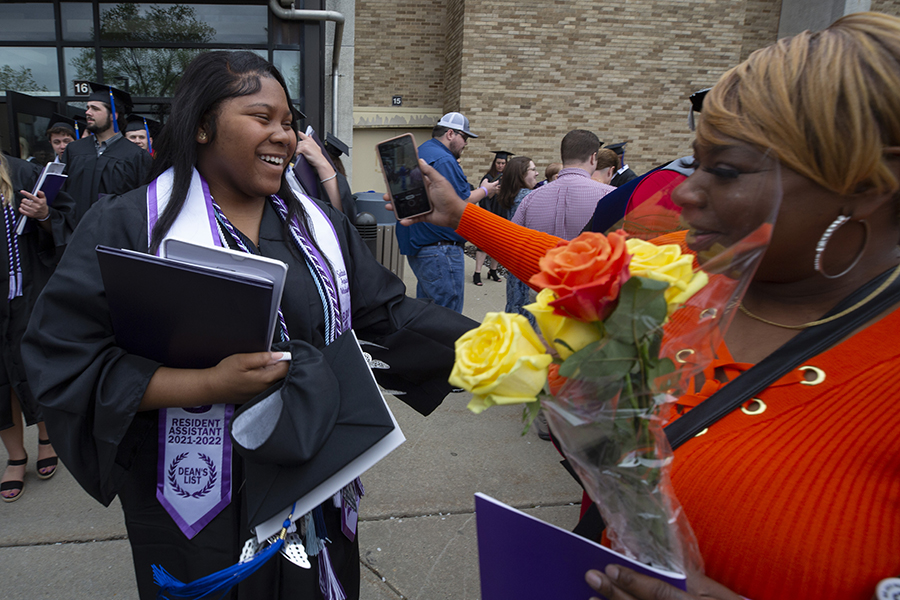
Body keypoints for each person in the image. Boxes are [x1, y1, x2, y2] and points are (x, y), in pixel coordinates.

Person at [389, 12, 900, 599]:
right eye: (697, 160)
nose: (684, 190)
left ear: (868, 186)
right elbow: (574, 266)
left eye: (727, 170)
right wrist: (462, 216)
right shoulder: (695, 262)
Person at [21, 51, 472, 599]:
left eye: (288, 122)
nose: (283, 135)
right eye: (263, 118)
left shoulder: (318, 228)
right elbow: (64, 358)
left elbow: (387, 316)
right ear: (204, 125)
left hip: (316, 480)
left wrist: (503, 345)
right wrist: (208, 385)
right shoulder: (129, 223)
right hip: (196, 502)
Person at [0, 153, 75, 502]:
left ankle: (46, 437)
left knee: (31, 365)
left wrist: (45, 216)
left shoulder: (23, 172)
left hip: (26, 291)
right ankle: (16, 456)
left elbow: (66, 218)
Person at [395, 112, 500, 312]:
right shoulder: (444, 159)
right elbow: (461, 201)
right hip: (440, 249)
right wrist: (487, 190)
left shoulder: (422, 151)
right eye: (465, 137)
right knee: (447, 316)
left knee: (427, 314)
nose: (466, 143)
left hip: (421, 247)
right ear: (450, 134)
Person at [61, 83, 153, 224]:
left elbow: (143, 202)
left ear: (113, 115)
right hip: (74, 234)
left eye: (95, 109)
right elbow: (62, 195)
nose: (88, 112)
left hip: (115, 234)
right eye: (87, 108)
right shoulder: (74, 150)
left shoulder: (135, 155)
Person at [512, 130, 615, 240]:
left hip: (539, 256)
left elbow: (512, 240)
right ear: (593, 158)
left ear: (563, 156)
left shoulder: (530, 198)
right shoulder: (611, 196)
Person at [492, 156, 538, 322]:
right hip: (527, 262)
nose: (537, 173)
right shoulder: (529, 198)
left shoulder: (512, 196)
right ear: (521, 174)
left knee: (515, 306)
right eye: (533, 170)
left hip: (515, 264)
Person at [473, 150, 513, 286]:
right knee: (483, 245)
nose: (500, 166)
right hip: (490, 214)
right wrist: (492, 192)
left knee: (498, 245)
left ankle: (493, 270)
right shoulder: (488, 178)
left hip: (503, 213)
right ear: (494, 163)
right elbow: (482, 197)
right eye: (498, 163)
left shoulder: (507, 180)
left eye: (503, 163)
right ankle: (477, 273)